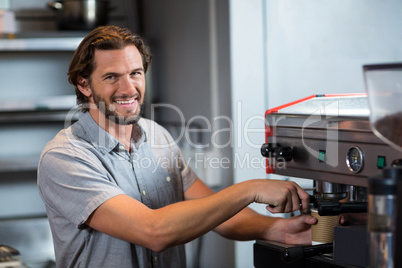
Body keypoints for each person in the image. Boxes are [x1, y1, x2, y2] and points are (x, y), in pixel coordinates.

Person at [37, 25, 317, 268]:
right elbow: (153, 232)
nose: (128, 88)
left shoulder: (157, 137)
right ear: (84, 85)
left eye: (135, 73)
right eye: (112, 77)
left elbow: (221, 217)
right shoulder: (65, 156)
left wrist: (279, 230)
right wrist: (250, 189)